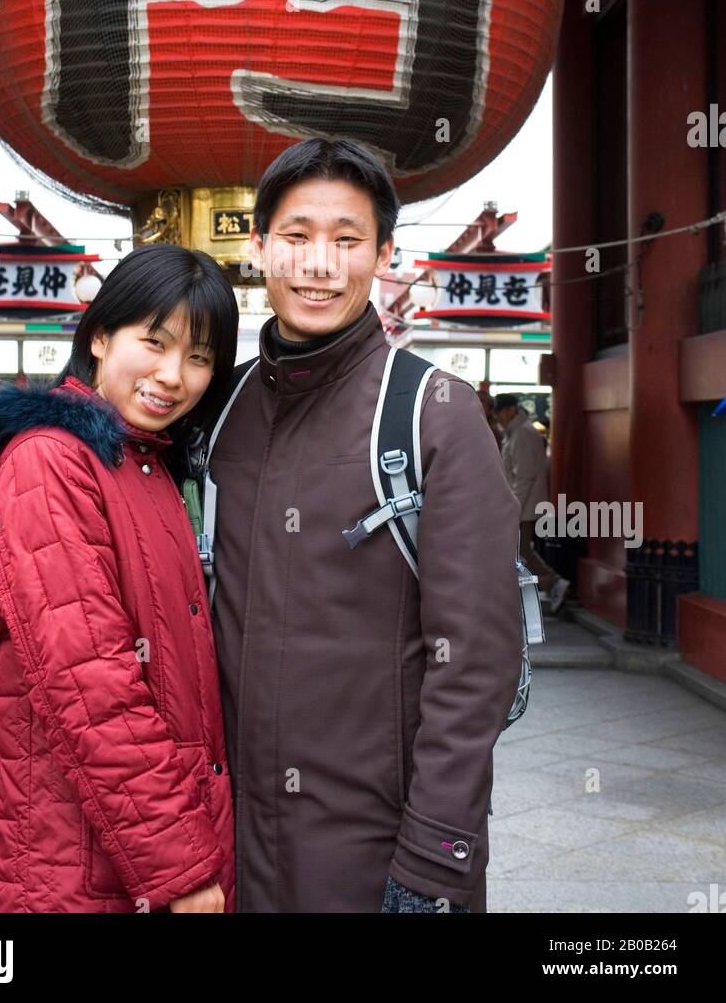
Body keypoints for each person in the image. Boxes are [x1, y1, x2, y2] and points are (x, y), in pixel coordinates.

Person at [204, 137, 522, 913]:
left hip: (377, 856)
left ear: (382, 253)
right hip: (230, 851)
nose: (319, 264)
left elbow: (476, 662)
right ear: (258, 247)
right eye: (296, 236)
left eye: (347, 240)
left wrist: (432, 865)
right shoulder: (221, 409)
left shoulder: (431, 411)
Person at [0, 244, 238, 913]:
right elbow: (93, 688)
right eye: (155, 341)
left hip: (124, 850)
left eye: (199, 358)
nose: (173, 375)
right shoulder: (51, 461)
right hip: (72, 864)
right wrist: (182, 869)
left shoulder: (145, 462)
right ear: (100, 336)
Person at [493, 393, 569, 616]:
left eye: (499, 412)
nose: (498, 418)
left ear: (510, 410)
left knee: (519, 554)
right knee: (521, 551)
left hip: (524, 507)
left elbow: (523, 477)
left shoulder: (522, 434)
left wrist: (512, 508)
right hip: (524, 505)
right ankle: (552, 583)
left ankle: (552, 583)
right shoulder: (517, 432)